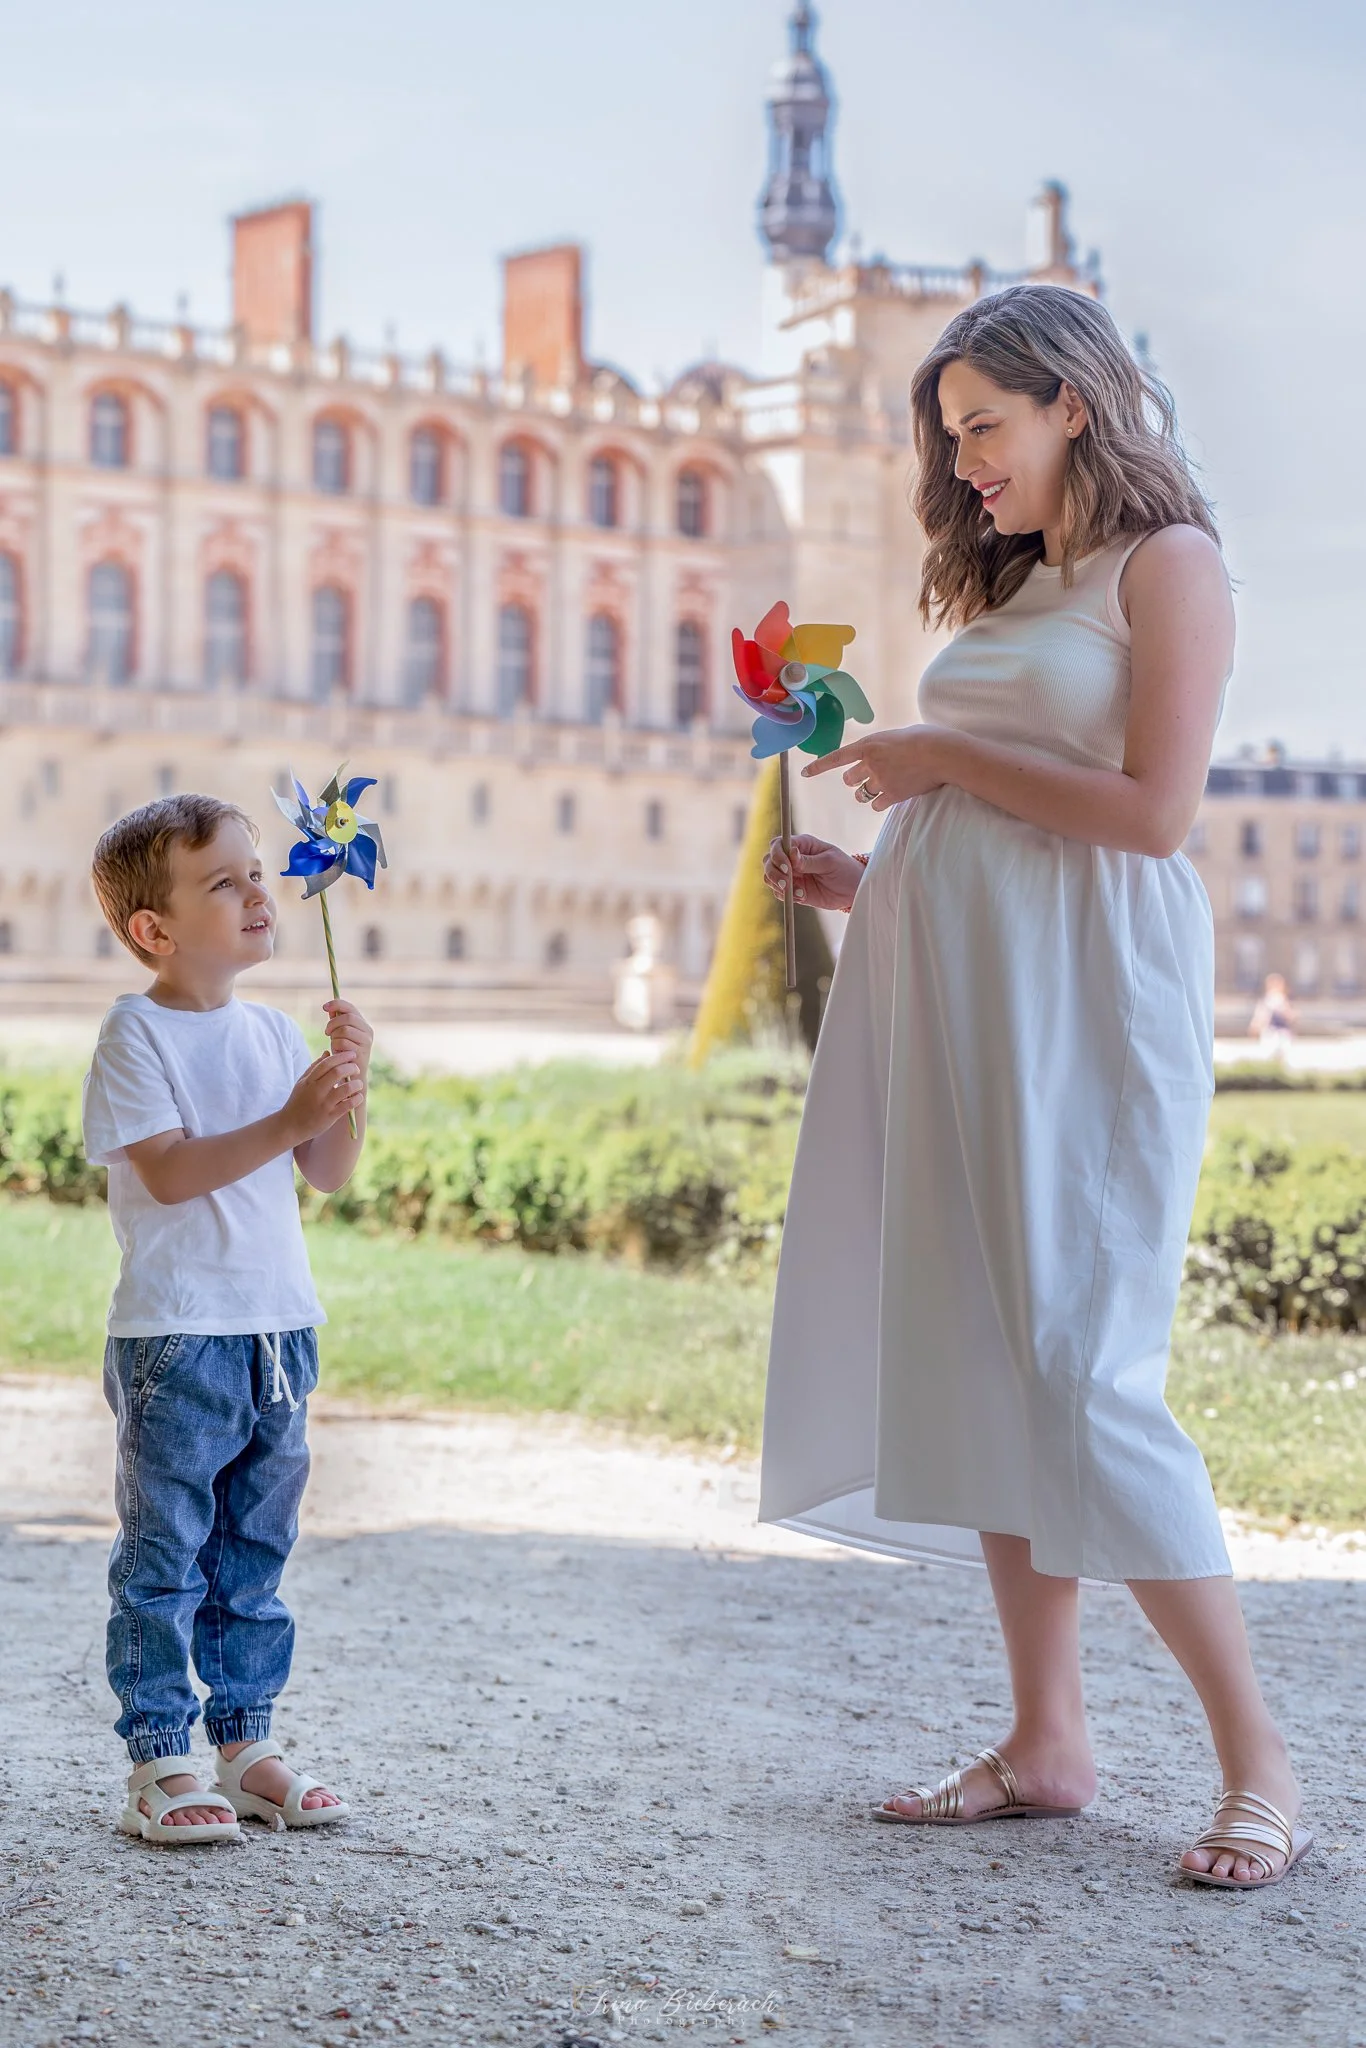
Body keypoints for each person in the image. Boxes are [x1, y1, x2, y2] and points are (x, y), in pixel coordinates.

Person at [758, 285, 1309, 1891]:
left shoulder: (1167, 564)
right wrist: (873, 883)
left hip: (1096, 1007)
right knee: (983, 1351)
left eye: (983, 427)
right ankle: (1046, 1740)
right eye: (948, 438)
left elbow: (1147, 815)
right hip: (964, 996)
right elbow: (1007, 834)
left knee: (1082, 1368)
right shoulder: (1011, 585)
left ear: (1075, 402)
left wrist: (932, 755)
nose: (964, 463)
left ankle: (1257, 1763)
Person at [83, 793, 370, 1844]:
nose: (259, 891)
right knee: (166, 1553)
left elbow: (327, 1171)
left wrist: (349, 1087)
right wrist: (291, 1115)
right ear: (153, 929)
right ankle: (160, 1756)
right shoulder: (135, 1031)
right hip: (179, 1333)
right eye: (223, 880)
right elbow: (169, 1173)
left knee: (256, 1550)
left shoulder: (275, 1031)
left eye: (257, 872)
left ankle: (246, 1744)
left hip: (278, 1329)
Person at [1249, 971, 1296, 1059]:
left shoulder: (1284, 1000)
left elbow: (1291, 1017)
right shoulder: (1266, 1001)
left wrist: (1283, 1009)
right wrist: (1255, 1026)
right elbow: (1261, 1016)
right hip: (1269, 1033)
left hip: (1282, 1034)